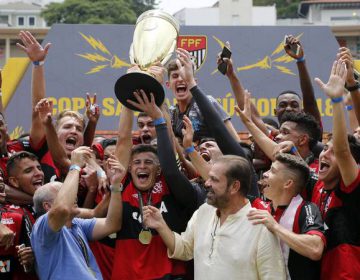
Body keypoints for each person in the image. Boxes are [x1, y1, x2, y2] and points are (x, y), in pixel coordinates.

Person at [143, 155, 286, 280]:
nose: (207, 183)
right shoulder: (204, 211)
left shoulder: (261, 227)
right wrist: (161, 225)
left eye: (214, 179)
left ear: (234, 187)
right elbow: (185, 249)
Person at [31, 146, 124, 280]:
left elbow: (112, 224)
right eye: (65, 192)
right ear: (48, 206)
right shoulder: (42, 227)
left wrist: (115, 186)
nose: (72, 194)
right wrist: (74, 167)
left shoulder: (76, 224)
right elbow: (62, 209)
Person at [312, 58, 360, 279]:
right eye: (324, 148)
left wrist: (339, 100)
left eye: (331, 150)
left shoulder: (351, 188)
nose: (324, 153)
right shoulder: (318, 187)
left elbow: (342, 150)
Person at [247, 153, 325, 279]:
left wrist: (275, 227)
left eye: (272, 171)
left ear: (288, 183)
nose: (265, 174)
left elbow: (315, 248)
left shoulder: (307, 209)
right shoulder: (260, 206)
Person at [166, 53, 239, 144]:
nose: (180, 79)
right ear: (168, 84)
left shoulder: (208, 103)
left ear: (194, 81)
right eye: (175, 76)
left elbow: (236, 141)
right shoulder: (171, 113)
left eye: (184, 74)